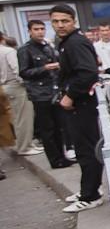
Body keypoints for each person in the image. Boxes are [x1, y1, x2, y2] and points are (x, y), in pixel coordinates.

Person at [50, 5, 104, 212]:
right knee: (83, 149)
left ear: (73, 21)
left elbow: (88, 73)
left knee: (86, 150)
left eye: (64, 21)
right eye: (55, 21)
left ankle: (91, 195)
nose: (60, 25)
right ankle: (88, 189)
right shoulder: (67, 42)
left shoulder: (75, 42)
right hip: (77, 103)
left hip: (81, 104)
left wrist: (70, 96)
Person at [17, 20, 73, 168]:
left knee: (58, 127)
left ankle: (62, 156)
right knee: (47, 129)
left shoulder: (47, 47)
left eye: (42, 29)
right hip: (39, 93)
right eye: (36, 29)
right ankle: (55, 160)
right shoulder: (25, 50)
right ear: (30, 31)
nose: (40, 32)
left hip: (53, 91)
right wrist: (45, 68)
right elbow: (24, 72)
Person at [0, 31, 40, 156]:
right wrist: (26, 82)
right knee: (24, 117)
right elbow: (17, 70)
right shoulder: (8, 51)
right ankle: (25, 147)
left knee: (16, 118)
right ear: (2, 38)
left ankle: (26, 144)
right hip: (15, 86)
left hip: (4, 86)